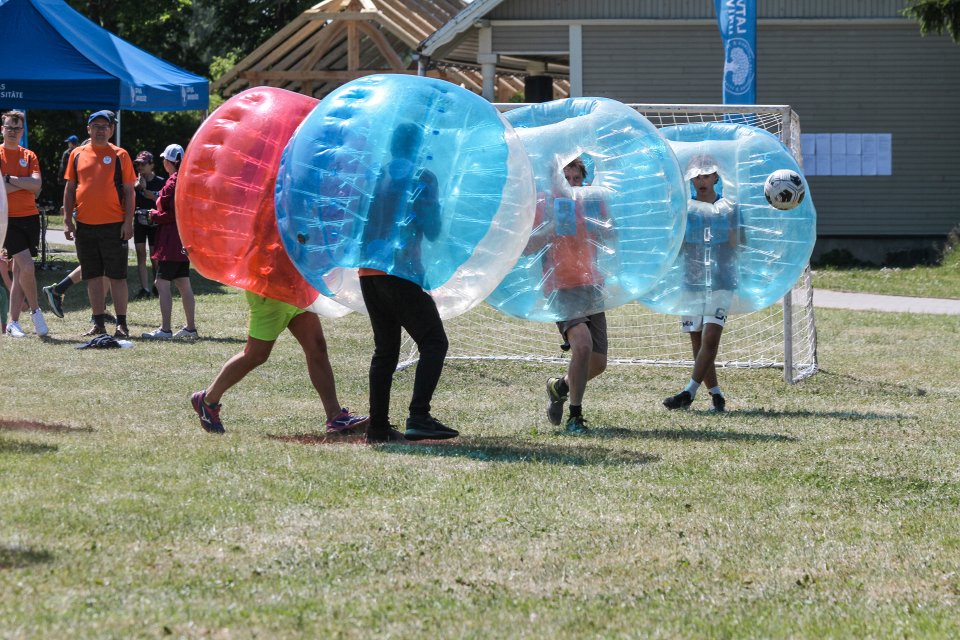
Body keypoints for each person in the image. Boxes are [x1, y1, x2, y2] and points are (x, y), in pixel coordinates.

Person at [358, 123, 457, 444]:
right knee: (434, 342)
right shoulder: (422, 177)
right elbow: (431, 229)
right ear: (418, 147)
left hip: (369, 273)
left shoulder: (375, 177)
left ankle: (378, 427)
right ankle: (419, 416)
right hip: (401, 271)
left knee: (385, 351)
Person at [190, 292, 368, 435]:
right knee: (256, 354)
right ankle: (207, 399)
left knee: (317, 348)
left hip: (295, 287)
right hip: (271, 290)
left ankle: (335, 416)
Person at [537, 157, 611, 434]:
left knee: (598, 362)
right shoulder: (545, 203)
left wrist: (599, 225)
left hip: (591, 284)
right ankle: (575, 417)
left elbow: (610, 236)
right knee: (582, 346)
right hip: (560, 285)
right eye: (565, 180)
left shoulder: (592, 201)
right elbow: (527, 247)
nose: (572, 185)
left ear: (584, 179)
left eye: (576, 179)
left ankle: (560, 387)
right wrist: (550, 227)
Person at [663, 155, 739, 412]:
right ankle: (716, 395)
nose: (701, 180)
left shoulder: (728, 207)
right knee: (697, 341)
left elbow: (739, 243)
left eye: (706, 175)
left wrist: (726, 229)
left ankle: (688, 392)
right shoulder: (686, 208)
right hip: (693, 280)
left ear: (717, 177)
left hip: (721, 280)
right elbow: (678, 246)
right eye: (696, 176)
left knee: (711, 337)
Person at [62, 110, 136, 338]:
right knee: (93, 276)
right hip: (84, 225)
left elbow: (129, 191)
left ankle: (121, 324)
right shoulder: (76, 154)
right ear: (88, 129)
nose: (101, 129)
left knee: (117, 277)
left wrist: (128, 222)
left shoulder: (120, 155)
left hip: (114, 225)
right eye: (96, 126)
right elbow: (70, 188)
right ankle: (98, 323)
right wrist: (67, 220)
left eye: (105, 126)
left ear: (112, 130)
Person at [141, 144, 197, 339]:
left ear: (168, 161)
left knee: (161, 282)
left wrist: (152, 216)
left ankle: (165, 329)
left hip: (171, 240)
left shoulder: (173, 182)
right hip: (182, 239)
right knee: (183, 283)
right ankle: (190, 328)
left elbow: (171, 213)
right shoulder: (186, 180)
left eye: (164, 159)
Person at [1, 110, 48, 338]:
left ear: (22, 131)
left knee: (20, 270)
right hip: (7, 218)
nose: (12, 131)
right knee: (27, 266)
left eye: (16, 128)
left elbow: (37, 186)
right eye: (9, 127)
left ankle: (13, 323)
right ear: (2, 129)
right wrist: (25, 183)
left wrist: (9, 180)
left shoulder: (29, 155)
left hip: (30, 217)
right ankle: (36, 312)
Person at [132, 150, 165, 300]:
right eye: (137, 164)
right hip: (139, 220)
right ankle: (144, 288)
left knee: (154, 255)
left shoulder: (160, 181)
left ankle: (157, 285)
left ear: (151, 165)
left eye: (143, 164)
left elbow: (163, 202)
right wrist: (139, 186)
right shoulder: (135, 182)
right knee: (140, 253)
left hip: (154, 220)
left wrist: (145, 189)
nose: (139, 167)